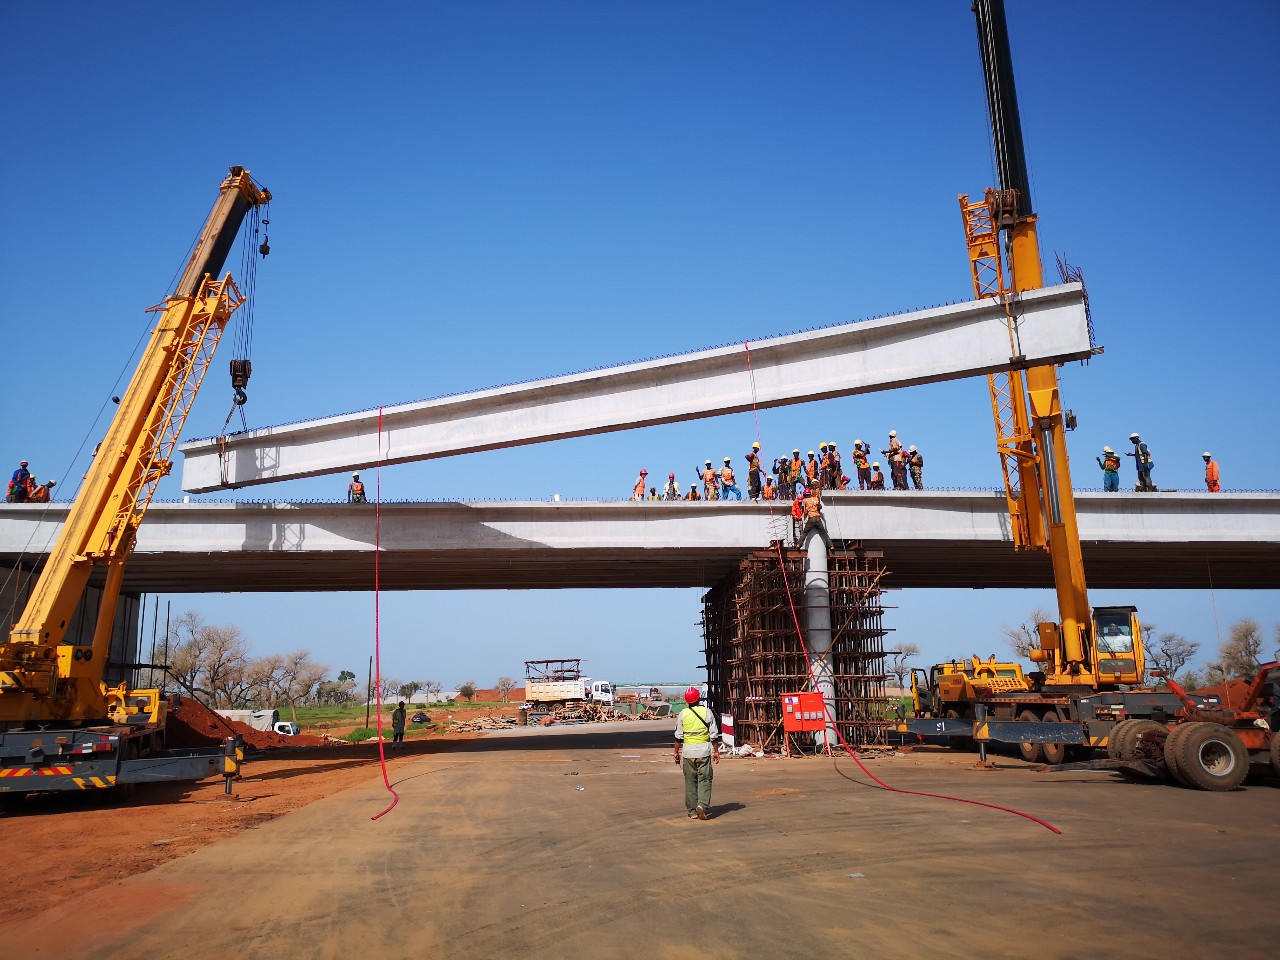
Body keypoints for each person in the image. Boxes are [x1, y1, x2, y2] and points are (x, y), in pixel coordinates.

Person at [673, 685, 719, 820]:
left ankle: (692, 811)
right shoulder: (707, 712)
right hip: (703, 752)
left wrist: (676, 753)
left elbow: (678, 737)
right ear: (699, 699)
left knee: (690, 782)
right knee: (705, 779)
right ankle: (702, 805)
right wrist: (716, 751)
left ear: (687, 701)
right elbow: (714, 735)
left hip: (688, 753)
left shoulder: (683, 714)